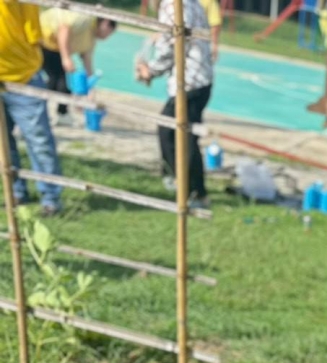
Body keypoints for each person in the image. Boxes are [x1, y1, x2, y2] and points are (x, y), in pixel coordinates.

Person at [135, 0, 213, 208]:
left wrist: (151, 71)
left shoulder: (173, 5)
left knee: (175, 135)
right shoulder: (189, 2)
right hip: (198, 81)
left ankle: (191, 190)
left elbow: (173, 45)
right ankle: (189, 188)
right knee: (181, 135)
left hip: (191, 82)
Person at [0, 1, 62, 216]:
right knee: (3, 143)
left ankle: (50, 198)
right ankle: (16, 192)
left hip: (22, 77)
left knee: (39, 139)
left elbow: (33, 33)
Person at [39, 9, 117, 123]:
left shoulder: (90, 40)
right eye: (109, 32)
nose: (107, 37)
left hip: (55, 49)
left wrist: (90, 91)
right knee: (55, 80)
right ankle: (38, 111)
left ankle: (61, 113)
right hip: (41, 39)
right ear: (106, 23)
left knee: (64, 83)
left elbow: (87, 64)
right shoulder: (85, 19)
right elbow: (63, 29)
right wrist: (66, 58)